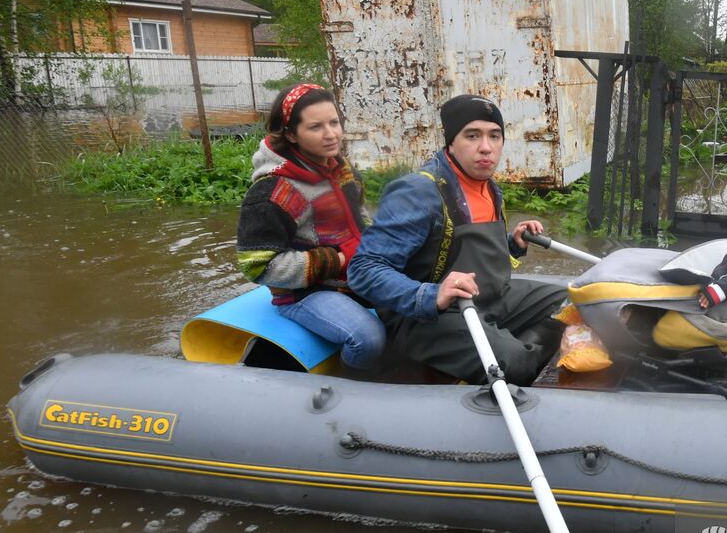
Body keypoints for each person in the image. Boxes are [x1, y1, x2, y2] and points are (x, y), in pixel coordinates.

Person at [348, 94, 566, 386]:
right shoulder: (418, 192)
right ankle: (510, 364)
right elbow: (364, 269)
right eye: (472, 136)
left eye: (494, 136)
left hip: (489, 300)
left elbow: (468, 251)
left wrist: (513, 244)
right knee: (514, 361)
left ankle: (507, 351)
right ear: (451, 142)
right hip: (429, 317)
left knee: (568, 303)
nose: (486, 147)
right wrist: (429, 295)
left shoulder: (489, 187)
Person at [235, 83, 386, 370]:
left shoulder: (342, 170)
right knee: (368, 338)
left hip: (354, 274)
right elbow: (256, 266)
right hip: (306, 292)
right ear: (291, 134)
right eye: (316, 127)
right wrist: (337, 259)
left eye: (334, 123)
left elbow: (361, 219)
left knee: (415, 300)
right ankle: (347, 389)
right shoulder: (272, 192)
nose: (331, 134)